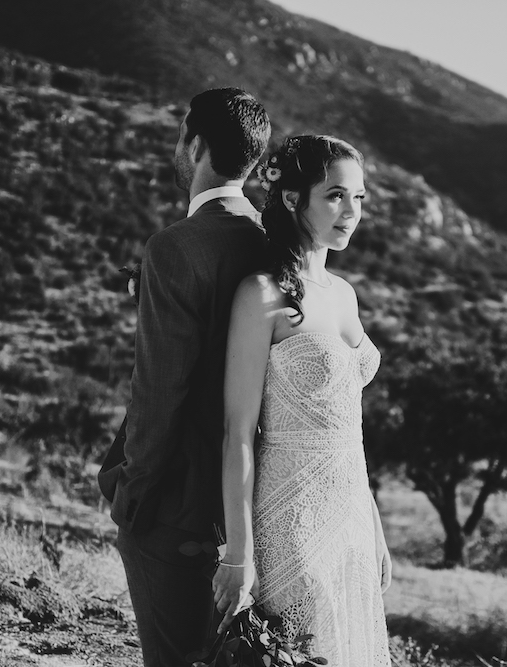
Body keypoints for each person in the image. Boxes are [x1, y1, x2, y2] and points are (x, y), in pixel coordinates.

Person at [97, 87, 271, 667]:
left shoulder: (176, 247)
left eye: (180, 135)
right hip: (252, 506)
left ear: (194, 145)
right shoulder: (274, 243)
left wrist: (132, 491)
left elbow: (159, 390)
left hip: (175, 503)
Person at [213, 135, 392, 666]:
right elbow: (237, 432)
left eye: (358, 199)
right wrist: (239, 555)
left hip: (352, 514)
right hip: (290, 519)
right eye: (335, 196)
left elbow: (348, 431)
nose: (350, 213)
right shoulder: (261, 295)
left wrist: (374, 523)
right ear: (293, 199)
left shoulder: (344, 293)